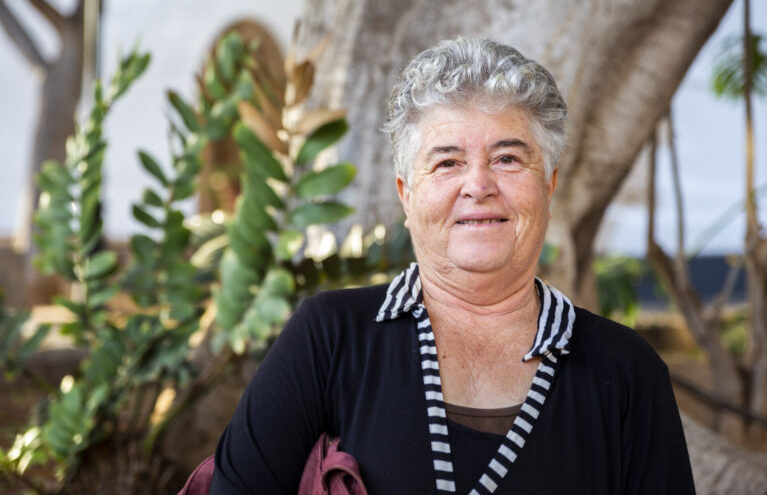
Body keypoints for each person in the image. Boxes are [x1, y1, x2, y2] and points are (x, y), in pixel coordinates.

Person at [210, 37, 696, 494]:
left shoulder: (627, 372)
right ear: (406, 195)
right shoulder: (330, 339)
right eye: (447, 163)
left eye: (508, 159)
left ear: (548, 186)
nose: (478, 185)